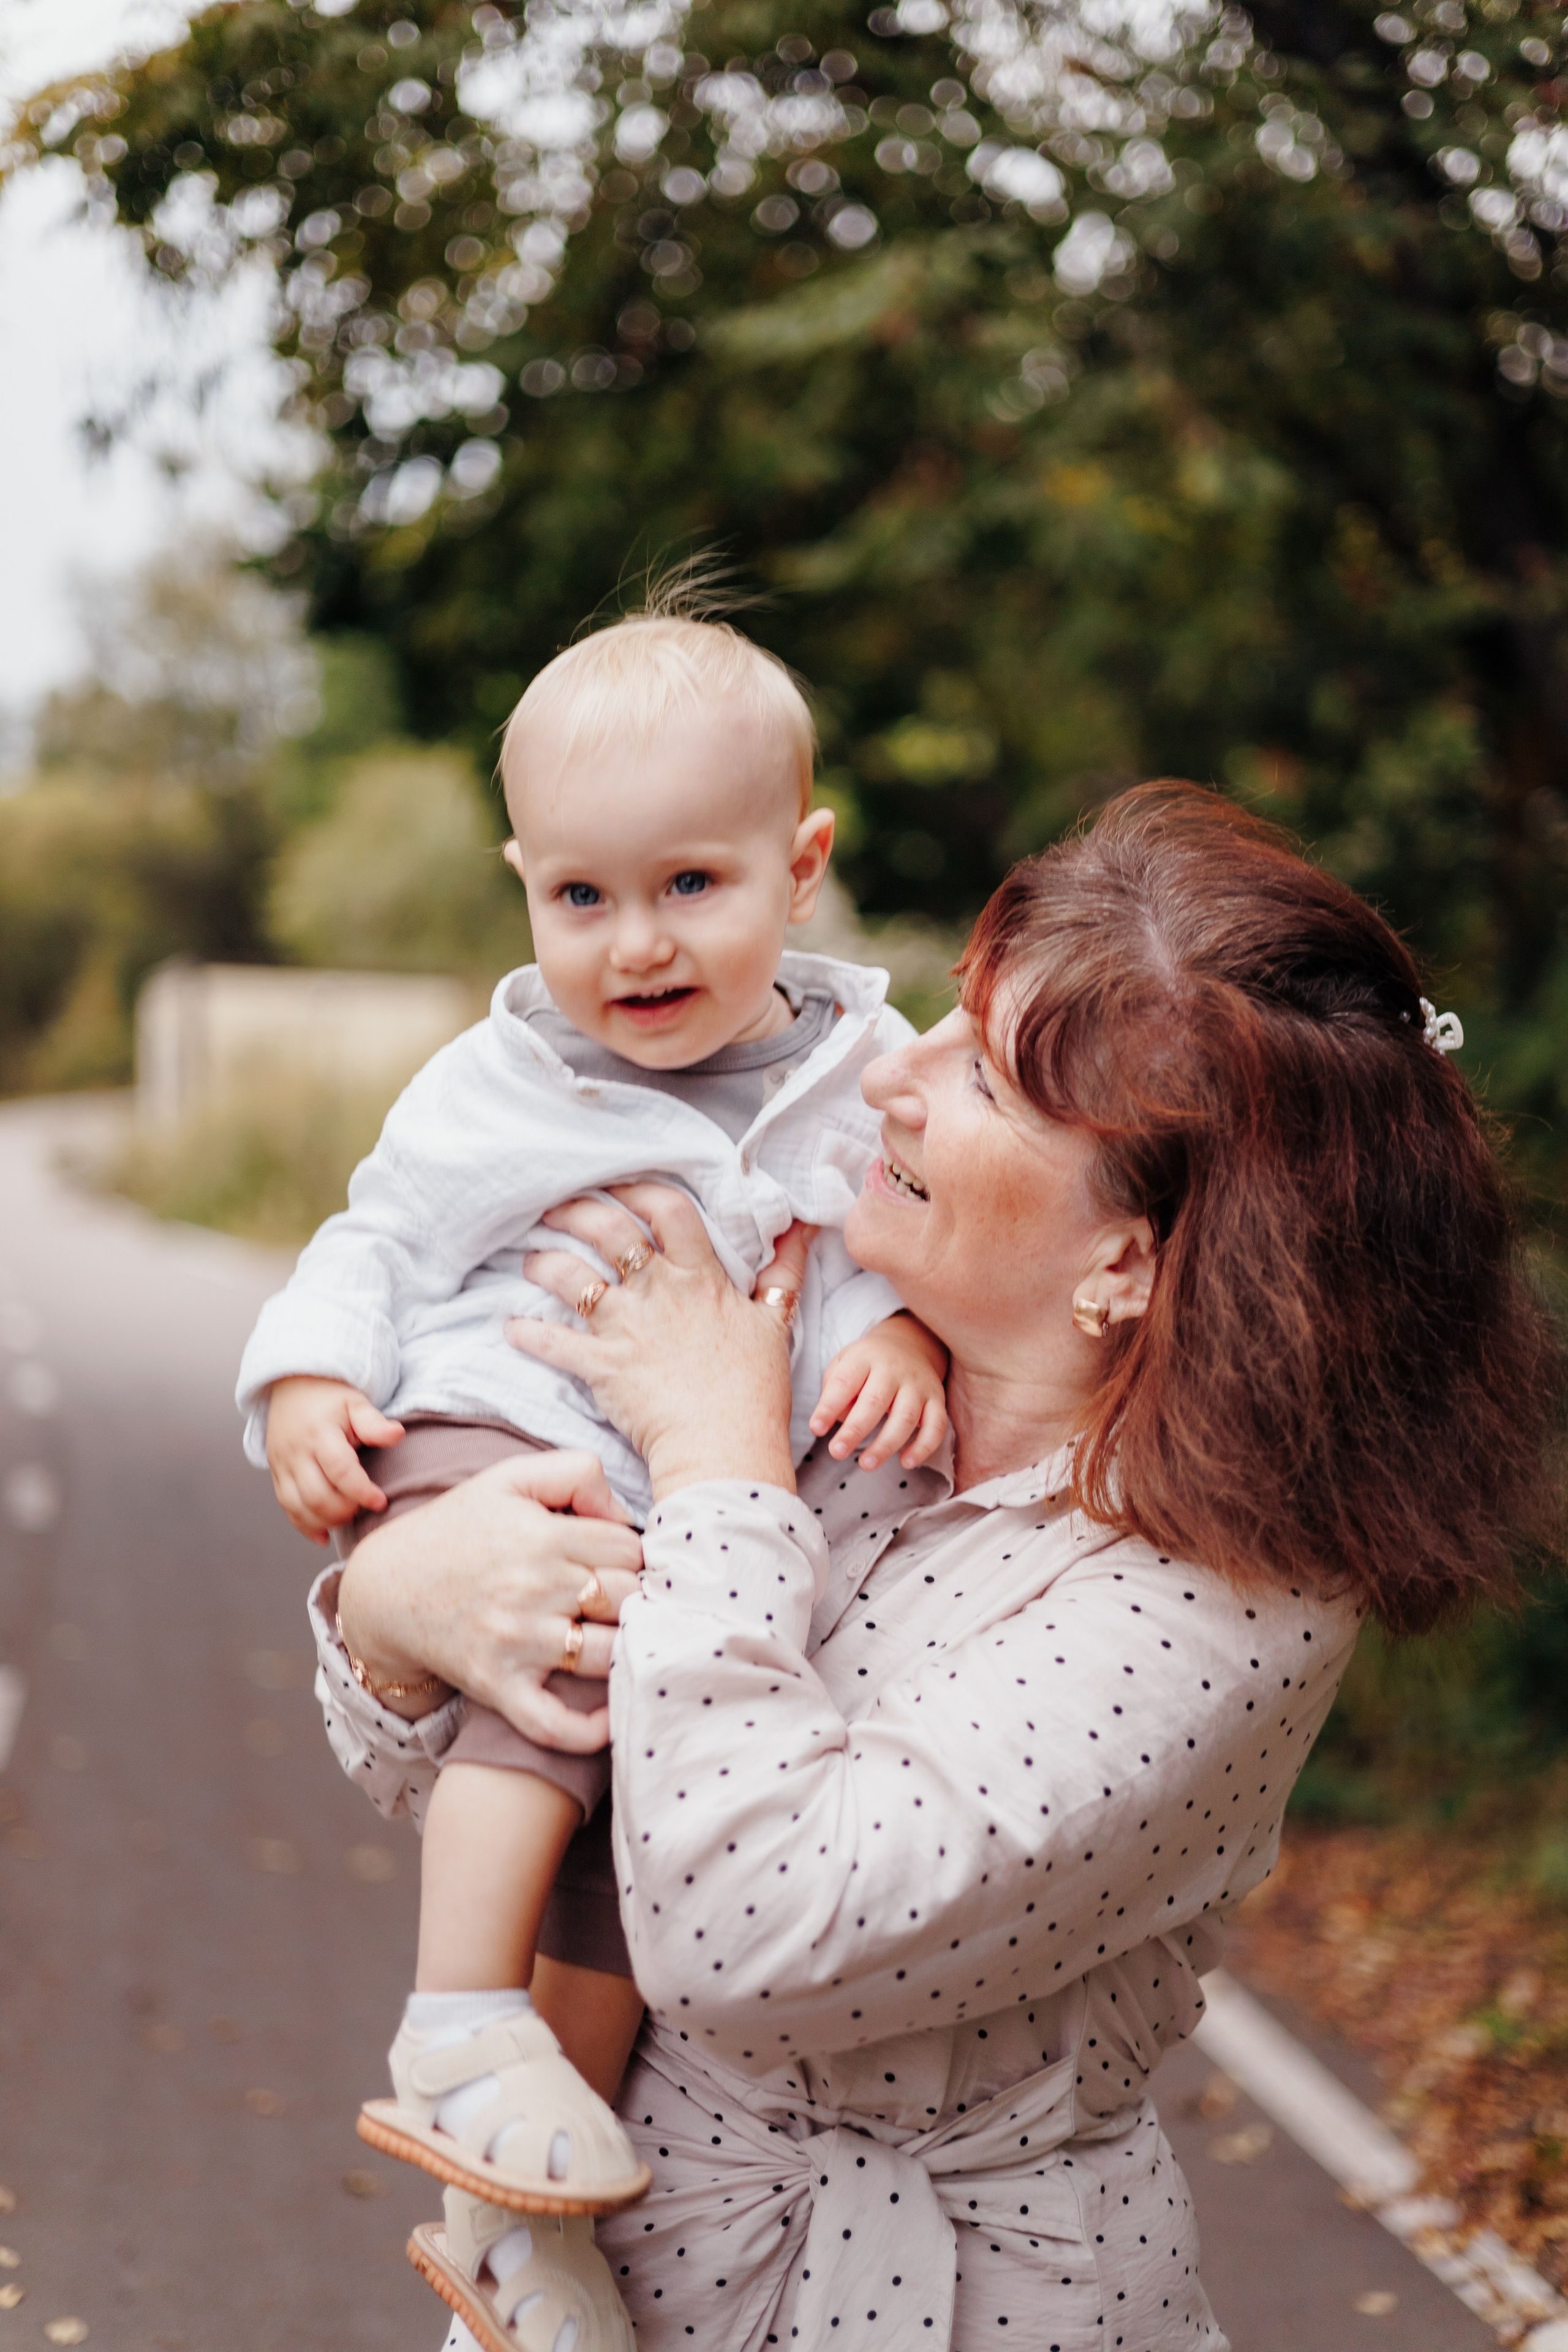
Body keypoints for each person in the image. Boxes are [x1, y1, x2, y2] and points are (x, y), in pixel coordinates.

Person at [318, 784, 1560, 2352]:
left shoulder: (1222, 1603)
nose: (887, 1074)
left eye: (976, 1071)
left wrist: (713, 1460)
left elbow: (740, 1939)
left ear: (1125, 1261)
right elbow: (493, 1767)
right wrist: (393, 1614)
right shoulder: (829, 1370)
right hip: (598, 2268)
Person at [234, 600, 951, 2294]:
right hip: (501, 1426)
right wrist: (306, 1385)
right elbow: (373, 1238)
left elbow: (871, 1244)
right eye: (581, 897)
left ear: (803, 861)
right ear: (525, 884)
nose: (634, 944)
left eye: (691, 886)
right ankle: (458, 2018)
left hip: (689, 1504)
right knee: (555, 1698)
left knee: (649, 1844)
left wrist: (902, 1334)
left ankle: (519, 2201)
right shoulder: (499, 1081)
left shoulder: (870, 1069)